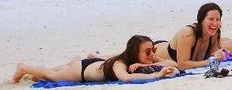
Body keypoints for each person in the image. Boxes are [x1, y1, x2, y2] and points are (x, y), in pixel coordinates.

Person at [12, 35, 178, 84]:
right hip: (82, 71)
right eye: (148, 52)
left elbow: (173, 64)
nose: (152, 55)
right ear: (135, 52)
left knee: (58, 71)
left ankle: (72, 61)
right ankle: (24, 67)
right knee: (52, 76)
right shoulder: (120, 64)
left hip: (95, 63)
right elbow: (126, 78)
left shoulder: (136, 60)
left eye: (153, 50)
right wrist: (157, 75)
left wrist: (156, 61)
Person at [153, 3, 232, 70]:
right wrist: (208, 62)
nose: (215, 23)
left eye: (217, 19)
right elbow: (182, 65)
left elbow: (214, 57)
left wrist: (218, 54)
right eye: (211, 19)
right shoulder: (188, 34)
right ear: (201, 20)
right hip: (154, 51)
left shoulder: (215, 33)